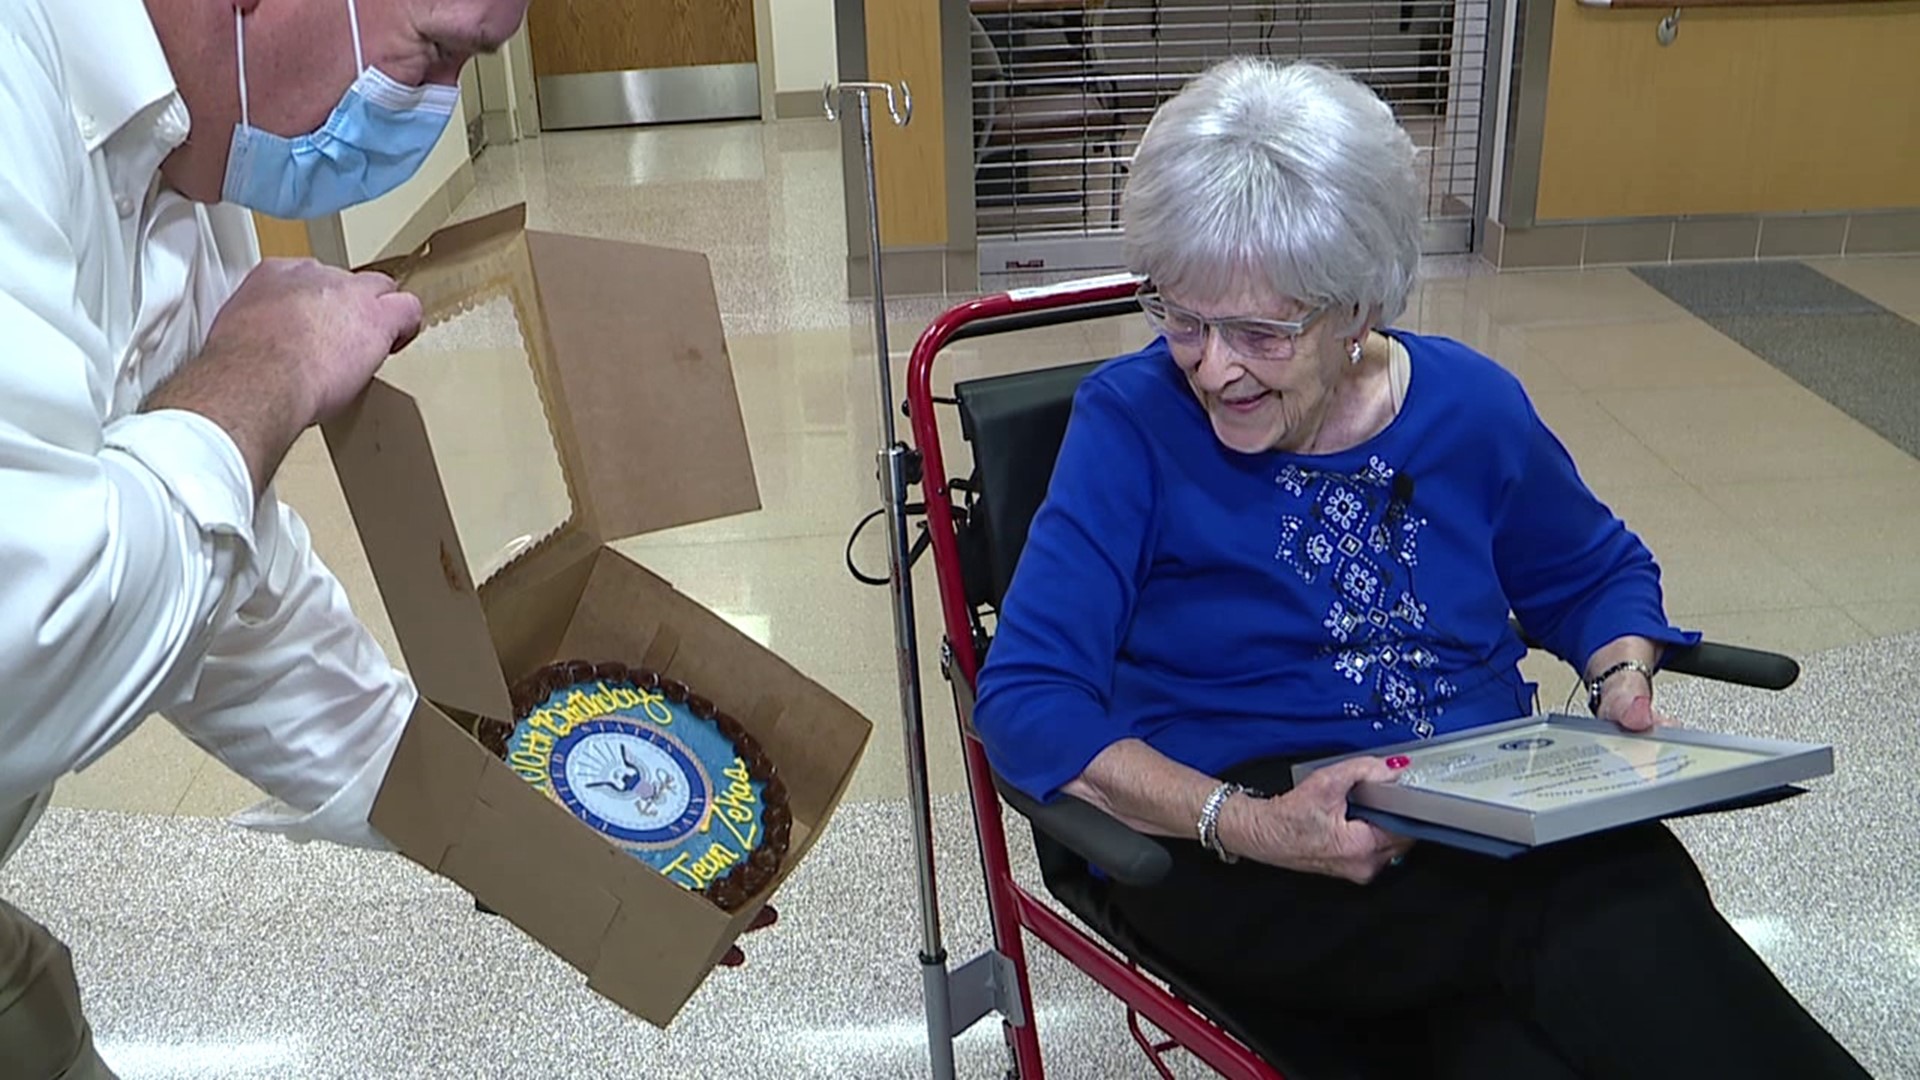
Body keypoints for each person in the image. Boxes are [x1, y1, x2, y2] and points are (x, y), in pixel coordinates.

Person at [971, 58, 1867, 1079]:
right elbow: (1031, 700)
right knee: (1593, 898)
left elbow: (1590, 572)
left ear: (1357, 308)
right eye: (1180, 317)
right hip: (1237, 845)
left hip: (1471, 802)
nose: (1213, 364)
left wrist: (1621, 673)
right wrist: (1251, 825)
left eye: (1259, 331)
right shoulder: (1129, 426)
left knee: (1554, 953)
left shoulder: (1472, 406)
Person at [0, 2, 764, 1076]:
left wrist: (530, 834)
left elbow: (234, 600)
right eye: (438, 51)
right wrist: (266, 370)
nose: (429, 107)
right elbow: (25, 653)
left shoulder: (173, 158)